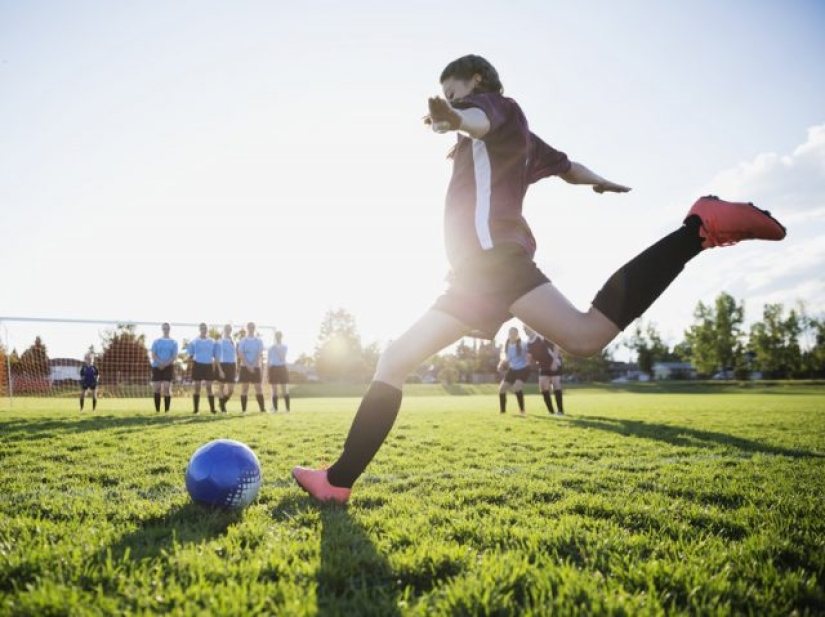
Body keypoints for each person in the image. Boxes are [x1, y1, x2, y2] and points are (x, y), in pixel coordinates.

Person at [292, 54, 786, 504]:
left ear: (478, 80)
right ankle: (338, 482)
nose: (450, 100)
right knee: (398, 356)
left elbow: (479, 117)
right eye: (444, 98)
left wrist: (456, 118)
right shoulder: (516, 136)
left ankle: (697, 229)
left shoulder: (496, 108)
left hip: (493, 266)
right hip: (474, 277)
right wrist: (601, 181)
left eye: (454, 90)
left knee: (585, 335)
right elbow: (568, 167)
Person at [524, 324, 564, 415]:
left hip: (554, 362)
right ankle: (551, 412)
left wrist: (554, 362)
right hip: (543, 366)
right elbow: (532, 357)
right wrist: (529, 360)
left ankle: (560, 411)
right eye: (524, 329)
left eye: (527, 328)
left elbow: (555, 347)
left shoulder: (542, 336)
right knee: (543, 387)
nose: (526, 331)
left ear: (532, 328)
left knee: (555, 384)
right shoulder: (528, 343)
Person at [187, 322, 220, 414]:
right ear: (199, 329)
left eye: (205, 328)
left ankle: (212, 409)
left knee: (209, 387)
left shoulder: (212, 341)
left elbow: (216, 355)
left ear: (207, 329)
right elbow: (190, 353)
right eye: (201, 328)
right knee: (197, 387)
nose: (203, 330)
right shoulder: (195, 341)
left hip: (208, 365)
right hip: (198, 365)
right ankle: (196, 409)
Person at [498, 326, 530, 414]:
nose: (512, 335)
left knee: (516, 387)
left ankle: (522, 411)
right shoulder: (506, 345)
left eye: (514, 333)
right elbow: (506, 358)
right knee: (502, 389)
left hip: (524, 369)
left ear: (517, 335)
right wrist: (501, 364)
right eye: (511, 333)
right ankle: (503, 412)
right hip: (512, 369)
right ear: (508, 334)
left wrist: (529, 357)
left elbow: (529, 353)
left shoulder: (523, 344)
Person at [237, 322, 265, 413]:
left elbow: (259, 353)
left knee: (259, 388)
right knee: (245, 389)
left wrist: (253, 365)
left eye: (253, 327)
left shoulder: (259, 341)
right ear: (247, 328)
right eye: (249, 327)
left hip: (256, 367)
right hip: (245, 367)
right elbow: (240, 353)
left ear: (255, 328)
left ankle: (262, 409)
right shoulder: (243, 340)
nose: (251, 328)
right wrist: (248, 365)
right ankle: (244, 410)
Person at [151, 322, 178, 412]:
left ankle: (167, 410)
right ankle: (157, 410)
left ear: (169, 329)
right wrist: (160, 363)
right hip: (157, 366)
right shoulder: (156, 341)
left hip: (168, 366)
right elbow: (153, 355)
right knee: (157, 387)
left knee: (167, 387)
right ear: (162, 329)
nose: (166, 330)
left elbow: (174, 356)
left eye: (167, 328)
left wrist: (165, 364)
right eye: (164, 328)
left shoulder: (174, 342)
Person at [266, 330, 291, 412]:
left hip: (282, 368)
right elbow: (268, 361)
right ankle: (275, 409)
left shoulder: (284, 347)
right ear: (275, 337)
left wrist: (276, 349)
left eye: (279, 336)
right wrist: (267, 372)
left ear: (281, 337)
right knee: (274, 389)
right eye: (277, 336)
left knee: (284, 389)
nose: (278, 338)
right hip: (273, 368)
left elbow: (282, 358)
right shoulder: (270, 348)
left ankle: (287, 409)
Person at [216, 324, 237, 413]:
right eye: (227, 328)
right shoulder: (219, 341)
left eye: (230, 329)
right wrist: (220, 370)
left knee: (231, 390)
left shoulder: (234, 341)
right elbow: (216, 357)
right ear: (224, 329)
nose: (228, 330)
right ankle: (223, 408)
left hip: (232, 366)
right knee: (221, 387)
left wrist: (236, 368)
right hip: (222, 365)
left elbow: (234, 355)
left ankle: (222, 403)